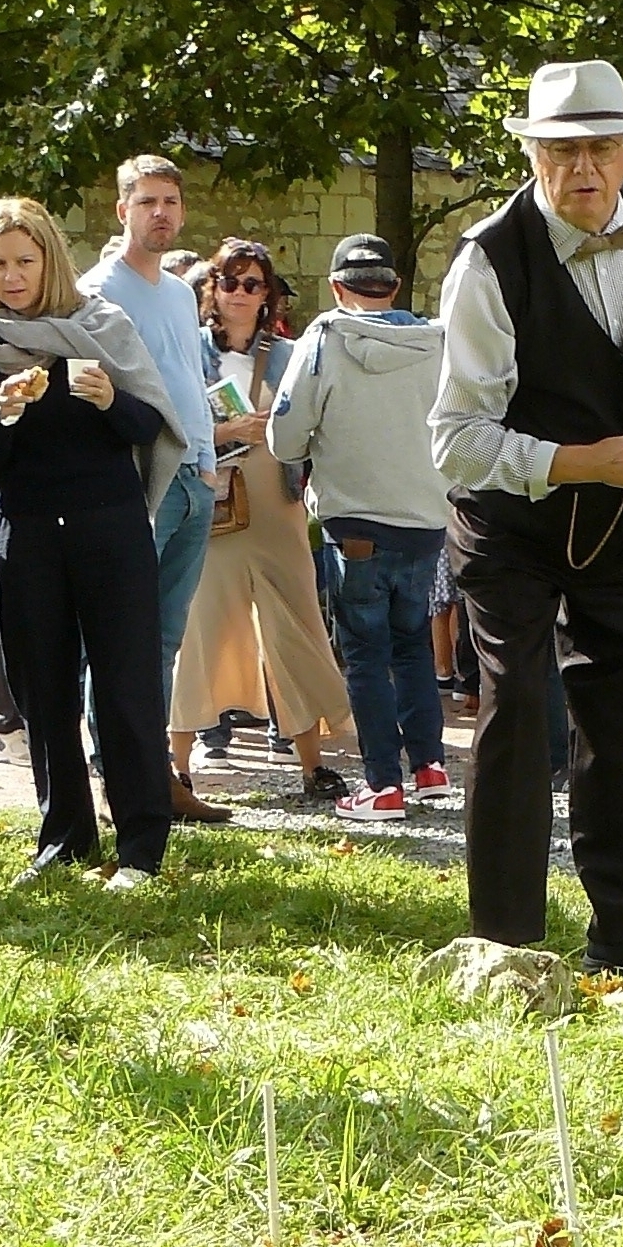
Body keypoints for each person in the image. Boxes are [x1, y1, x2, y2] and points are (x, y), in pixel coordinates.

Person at [431, 58, 623, 975]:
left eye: (601, 147)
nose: (583, 170)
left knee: (616, 713)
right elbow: (455, 441)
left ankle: (618, 930)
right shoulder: (487, 258)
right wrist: (577, 461)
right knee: (519, 705)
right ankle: (507, 939)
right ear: (530, 154)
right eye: (561, 151)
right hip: (511, 521)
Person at [0, 196, 187, 887]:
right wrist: (3, 411)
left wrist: (111, 399)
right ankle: (65, 839)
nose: (11, 275)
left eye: (24, 260)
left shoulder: (101, 326)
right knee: (43, 691)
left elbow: (151, 427)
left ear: (51, 259)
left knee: (125, 688)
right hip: (22, 533)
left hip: (109, 528)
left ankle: (141, 846)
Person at [264, 232, 452, 828]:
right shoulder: (438, 341)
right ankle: (429, 767)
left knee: (366, 653)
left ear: (337, 287)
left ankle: (381, 785)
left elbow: (285, 436)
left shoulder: (323, 340)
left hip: (355, 522)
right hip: (426, 518)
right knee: (412, 643)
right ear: (395, 286)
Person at [170, 235, 352, 805]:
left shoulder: (291, 355)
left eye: (254, 283)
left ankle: (311, 765)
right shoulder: (187, 350)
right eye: (231, 282)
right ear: (211, 290)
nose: (242, 293)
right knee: (201, 632)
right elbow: (169, 425)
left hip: (277, 501)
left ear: (269, 294)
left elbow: (322, 425)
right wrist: (224, 433)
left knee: (296, 625)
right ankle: (174, 768)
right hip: (213, 501)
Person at [81, 156, 230, 824]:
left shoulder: (177, 292)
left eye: (170, 201)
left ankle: (156, 774)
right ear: (123, 211)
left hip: (195, 481)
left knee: (165, 638)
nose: (161, 213)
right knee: (120, 639)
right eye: (147, 202)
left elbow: (185, 382)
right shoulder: (95, 292)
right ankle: (116, 779)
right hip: (138, 485)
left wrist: (206, 462)